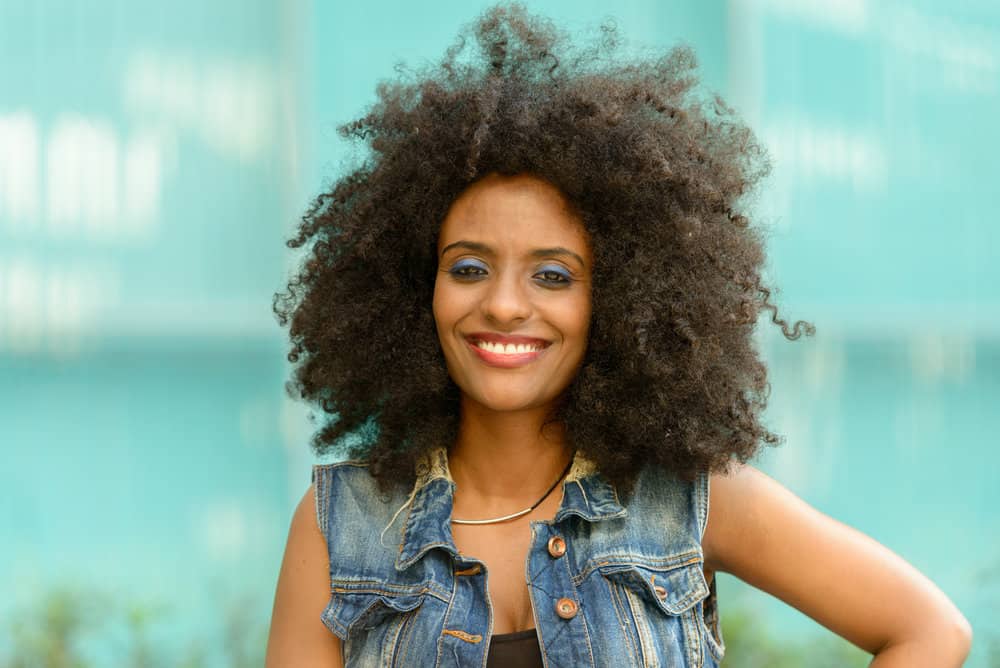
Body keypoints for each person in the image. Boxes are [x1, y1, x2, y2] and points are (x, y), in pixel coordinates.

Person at [264, 4, 972, 666]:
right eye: (470, 267)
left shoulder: (688, 499)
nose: (505, 306)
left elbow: (929, 630)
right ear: (415, 287)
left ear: (623, 298)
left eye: (553, 276)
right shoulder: (342, 523)